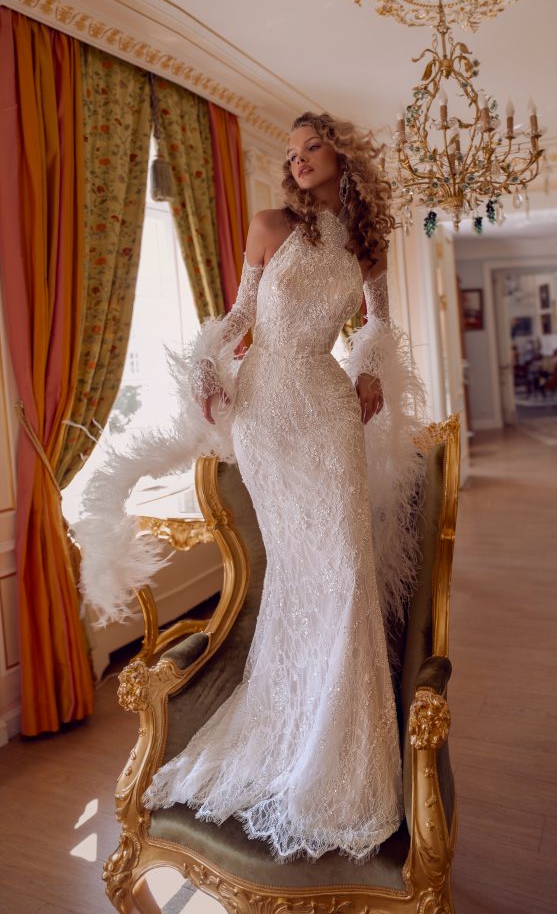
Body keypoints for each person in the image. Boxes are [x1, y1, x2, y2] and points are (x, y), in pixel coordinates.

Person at [75, 110, 431, 864]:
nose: (298, 159)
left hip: (329, 409)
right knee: (301, 571)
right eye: (292, 151)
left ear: (343, 154)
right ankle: (290, 729)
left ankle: (344, 757)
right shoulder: (270, 225)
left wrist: (371, 367)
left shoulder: (367, 243)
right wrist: (207, 363)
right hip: (268, 409)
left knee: (347, 569)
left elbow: (378, 324)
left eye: (312, 147)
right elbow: (241, 313)